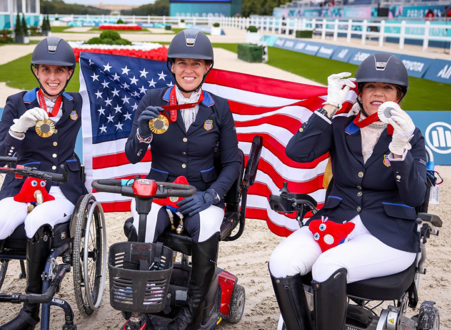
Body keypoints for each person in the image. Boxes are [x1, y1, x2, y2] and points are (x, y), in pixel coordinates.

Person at [268, 53, 427, 330]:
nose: (378, 93)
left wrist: (401, 148)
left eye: (387, 88)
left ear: (398, 96)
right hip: (335, 221)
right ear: (360, 92)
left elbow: (414, 197)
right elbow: (296, 152)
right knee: (281, 263)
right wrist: (330, 106)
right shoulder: (341, 125)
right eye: (370, 87)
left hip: (388, 234)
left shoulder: (411, 134)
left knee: (328, 265)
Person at [125, 29, 240, 330]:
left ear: (207, 68)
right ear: (172, 66)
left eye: (197, 64)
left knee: (206, 227)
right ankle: (142, 308)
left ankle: (192, 314)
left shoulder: (219, 107)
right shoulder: (153, 99)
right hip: (159, 190)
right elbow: (133, 156)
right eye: (183, 63)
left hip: (200, 193)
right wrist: (142, 133)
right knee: (142, 226)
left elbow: (232, 163)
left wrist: (212, 195)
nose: (189, 70)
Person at [0, 37, 85, 330]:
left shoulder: (77, 102)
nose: (53, 77)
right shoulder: (17, 103)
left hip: (61, 187)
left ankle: (30, 310)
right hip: (22, 185)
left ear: (70, 73)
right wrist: (18, 129)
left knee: (38, 221)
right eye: (46, 70)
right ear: (36, 72)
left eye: (60, 71)